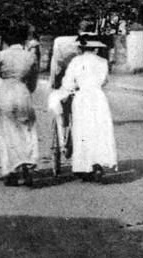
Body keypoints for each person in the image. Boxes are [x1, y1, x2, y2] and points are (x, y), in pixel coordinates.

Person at [0, 27, 39, 186]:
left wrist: (2, 73)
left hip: (6, 92)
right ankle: (27, 166)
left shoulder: (1, 55)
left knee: (7, 133)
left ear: (6, 40)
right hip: (23, 92)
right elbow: (33, 84)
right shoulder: (30, 56)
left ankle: (11, 172)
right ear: (24, 39)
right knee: (26, 130)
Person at [61, 34, 118, 181]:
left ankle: (84, 166)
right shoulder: (103, 62)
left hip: (82, 98)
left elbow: (68, 83)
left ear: (81, 48)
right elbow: (104, 81)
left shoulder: (76, 61)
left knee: (83, 131)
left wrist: (71, 89)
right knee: (99, 130)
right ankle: (98, 163)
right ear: (96, 50)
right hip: (98, 98)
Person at [47, 20, 93, 151]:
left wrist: (53, 83)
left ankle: (62, 142)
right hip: (83, 82)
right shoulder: (94, 42)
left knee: (59, 108)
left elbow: (55, 66)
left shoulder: (61, 42)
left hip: (64, 80)